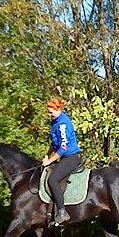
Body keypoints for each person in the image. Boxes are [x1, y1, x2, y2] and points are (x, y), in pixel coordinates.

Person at [42, 97, 82, 226]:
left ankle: (62, 212)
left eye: (51, 112)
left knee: (52, 180)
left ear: (59, 109)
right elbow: (54, 143)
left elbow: (64, 147)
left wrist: (50, 161)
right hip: (63, 157)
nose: (49, 114)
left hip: (71, 157)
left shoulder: (63, 124)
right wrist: (46, 156)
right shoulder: (55, 122)